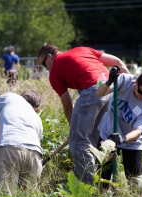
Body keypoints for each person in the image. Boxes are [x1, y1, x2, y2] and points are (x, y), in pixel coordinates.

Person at [37, 43, 130, 184]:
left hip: (92, 91)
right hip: (109, 89)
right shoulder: (83, 49)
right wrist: (130, 89)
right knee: (92, 141)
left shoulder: (55, 70)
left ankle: (86, 185)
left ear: (50, 56)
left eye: (44, 64)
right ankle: (97, 180)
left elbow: (68, 107)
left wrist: (74, 132)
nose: (46, 69)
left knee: (78, 140)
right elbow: (118, 62)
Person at [0, 87, 42, 195]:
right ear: (36, 107)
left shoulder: (9, 97)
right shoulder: (37, 117)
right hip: (35, 154)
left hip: (10, 148)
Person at [96, 67, 142, 181]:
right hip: (108, 134)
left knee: (134, 182)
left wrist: (122, 139)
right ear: (136, 82)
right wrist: (110, 81)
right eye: (141, 92)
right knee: (102, 178)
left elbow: (138, 131)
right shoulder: (124, 81)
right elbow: (99, 93)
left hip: (131, 142)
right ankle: (105, 196)